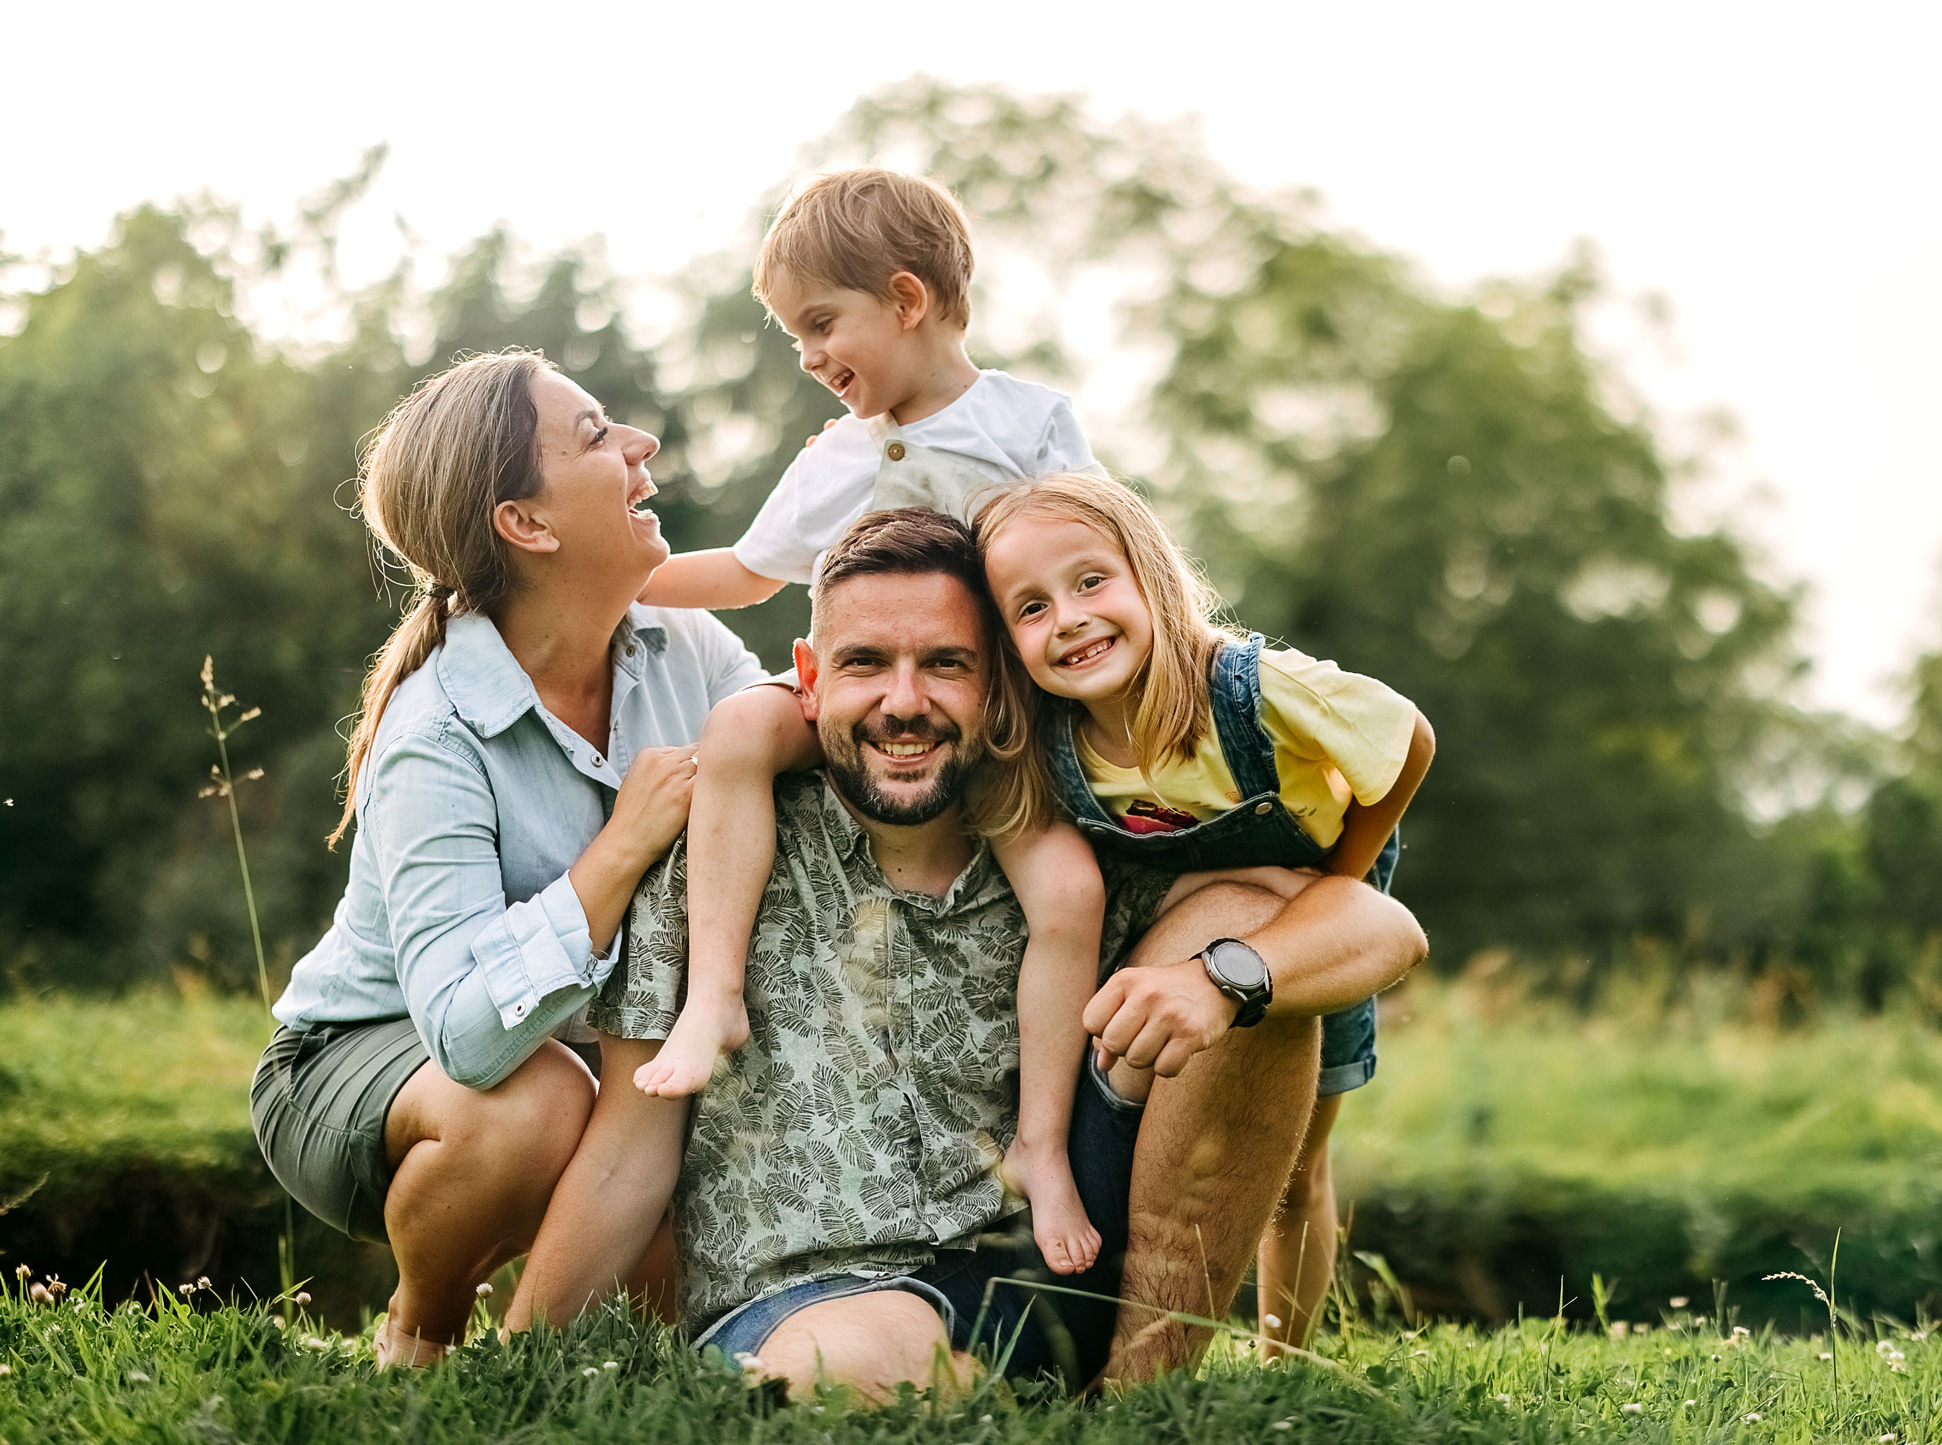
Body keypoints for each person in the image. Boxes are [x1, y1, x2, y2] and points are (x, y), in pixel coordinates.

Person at [508, 508, 1429, 1398]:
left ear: (996, 684)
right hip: (816, 1299)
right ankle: (911, 1390)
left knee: (1254, 950)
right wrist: (514, 1363)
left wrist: (1222, 981)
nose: (904, 703)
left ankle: (1144, 1402)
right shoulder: (713, 862)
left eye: (945, 665)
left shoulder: (1076, 844)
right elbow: (629, 1153)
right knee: (850, 1374)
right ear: (809, 676)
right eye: (866, 663)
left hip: (1065, 1248)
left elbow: (1382, 929)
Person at [630, 168, 1112, 1277]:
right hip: (856, 709)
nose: (807, 356)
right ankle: (713, 999)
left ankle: (1038, 1143)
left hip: (988, 726)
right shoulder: (835, 459)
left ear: (905, 297)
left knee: (1072, 892)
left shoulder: (1028, 422)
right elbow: (751, 574)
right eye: (793, 334)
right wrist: (620, 581)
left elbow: (1097, 556)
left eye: (818, 324)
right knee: (744, 733)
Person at [248, 350, 769, 1368]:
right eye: (594, 434)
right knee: (533, 1110)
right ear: (527, 524)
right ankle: (424, 1331)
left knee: (681, 1188)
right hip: (367, 1059)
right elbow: (463, 1035)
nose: (639, 445)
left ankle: (537, 1358)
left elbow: (775, 760)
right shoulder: (435, 729)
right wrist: (617, 851)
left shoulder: (687, 647)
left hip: (579, 1056)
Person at [974, 472, 1436, 1358]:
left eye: (1090, 582)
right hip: (1187, 929)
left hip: (1310, 929)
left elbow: (1407, 734)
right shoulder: (1056, 739)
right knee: (1195, 1134)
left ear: (1148, 574)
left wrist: (1341, 875)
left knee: (1299, 1162)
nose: (1068, 618)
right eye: (1030, 609)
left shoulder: (1251, 689)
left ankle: (1284, 1352)